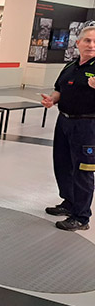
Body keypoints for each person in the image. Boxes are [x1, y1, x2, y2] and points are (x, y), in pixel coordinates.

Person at [42, 26, 95, 231]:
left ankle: (81, 217)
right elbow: (59, 90)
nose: (91, 45)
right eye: (87, 41)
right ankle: (70, 202)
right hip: (64, 121)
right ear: (78, 43)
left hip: (87, 125)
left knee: (83, 171)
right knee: (63, 165)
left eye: (94, 41)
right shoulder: (70, 66)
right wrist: (52, 100)